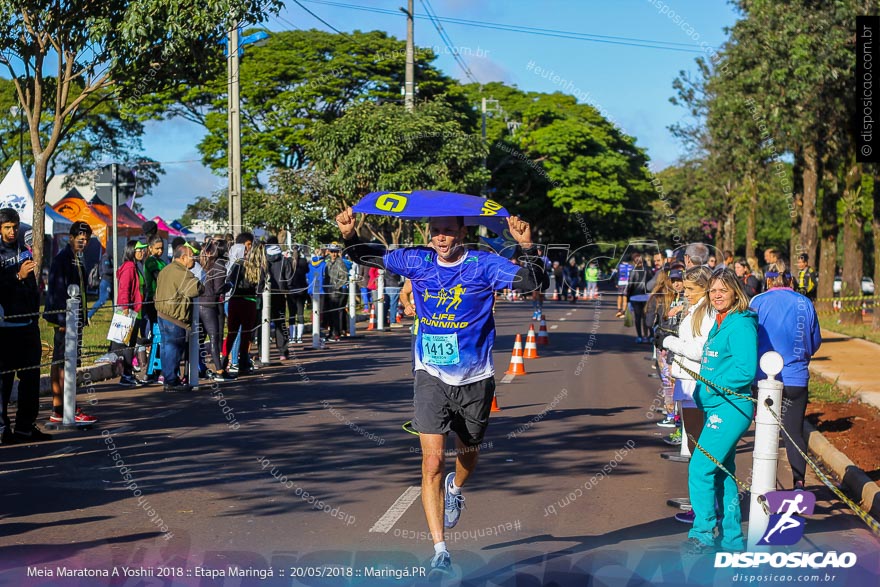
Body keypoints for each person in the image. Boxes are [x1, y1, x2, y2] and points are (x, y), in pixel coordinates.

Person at [335, 207, 544, 578]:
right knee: (432, 462)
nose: (441, 238)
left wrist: (526, 244)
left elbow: (531, 282)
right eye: (435, 231)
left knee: (469, 451)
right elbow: (366, 256)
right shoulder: (417, 261)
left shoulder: (483, 265)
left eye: (448, 231)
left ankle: (457, 487)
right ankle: (439, 550)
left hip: (475, 377)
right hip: (429, 373)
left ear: (462, 233)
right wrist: (350, 235)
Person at [684, 268, 757, 553]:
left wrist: (711, 384)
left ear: (735, 293)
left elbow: (744, 370)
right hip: (716, 405)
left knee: (700, 469)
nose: (717, 295)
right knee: (723, 474)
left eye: (723, 290)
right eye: (713, 290)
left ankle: (702, 533)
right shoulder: (720, 320)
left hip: (730, 407)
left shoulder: (740, 324)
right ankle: (732, 538)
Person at [750, 261, 822, 491]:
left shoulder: (757, 302)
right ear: (791, 280)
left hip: (763, 379)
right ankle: (799, 483)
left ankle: (764, 485)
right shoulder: (805, 303)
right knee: (793, 433)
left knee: (765, 431)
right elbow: (815, 341)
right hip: (795, 377)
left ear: (768, 280)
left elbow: (749, 337)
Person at [658, 266, 715, 486]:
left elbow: (699, 352)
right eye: (686, 288)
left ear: (705, 288)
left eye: (691, 289)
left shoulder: (706, 313)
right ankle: (702, 502)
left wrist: (669, 341)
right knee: (694, 445)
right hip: (688, 382)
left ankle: (705, 505)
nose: (686, 293)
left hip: (696, 384)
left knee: (699, 447)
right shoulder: (696, 309)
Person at [0, 208, 52, 442]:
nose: (12, 232)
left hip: (28, 325)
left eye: (14, 226)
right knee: (4, 382)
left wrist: (34, 309)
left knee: (30, 380)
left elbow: (31, 283)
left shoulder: (24, 250)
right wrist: (17, 276)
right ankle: (3, 430)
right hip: (5, 329)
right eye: (7, 227)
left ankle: (26, 427)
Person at [44, 221, 98, 424]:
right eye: (80, 238)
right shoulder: (62, 259)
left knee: (68, 362)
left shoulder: (78, 258)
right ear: (71, 237)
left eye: (86, 239)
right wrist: (62, 321)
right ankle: (63, 408)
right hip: (65, 321)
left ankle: (62, 407)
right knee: (62, 363)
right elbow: (57, 292)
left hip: (76, 320)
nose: (83, 242)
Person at [155, 242, 204, 392]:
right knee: (172, 348)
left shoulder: (166, 269)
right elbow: (195, 289)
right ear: (183, 257)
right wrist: (202, 285)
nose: (194, 261)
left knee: (166, 347)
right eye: (192, 258)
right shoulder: (180, 272)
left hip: (163, 313)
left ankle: (169, 378)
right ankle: (171, 381)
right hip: (174, 316)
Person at [223, 241, 266, 375]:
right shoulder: (260, 269)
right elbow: (260, 289)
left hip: (234, 301)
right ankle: (243, 365)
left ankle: (223, 363)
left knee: (231, 334)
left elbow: (229, 281)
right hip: (250, 302)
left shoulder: (238, 264)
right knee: (246, 335)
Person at [114, 240, 147, 387]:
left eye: (142, 250)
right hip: (129, 311)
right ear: (131, 251)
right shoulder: (129, 267)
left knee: (131, 344)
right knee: (128, 345)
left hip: (136, 311)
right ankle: (126, 375)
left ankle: (129, 374)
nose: (142, 252)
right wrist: (125, 308)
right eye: (138, 250)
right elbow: (124, 289)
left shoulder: (136, 266)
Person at [199, 239, 232, 381]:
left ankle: (199, 368)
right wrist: (229, 285)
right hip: (210, 304)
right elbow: (218, 289)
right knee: (214, 337)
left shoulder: (207, 264)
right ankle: (219, 370)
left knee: (200, 338)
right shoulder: (220, 266)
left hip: (200, 303)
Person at [267, 239, 294, 359]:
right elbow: (289, 278)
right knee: (280, 322)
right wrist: (288, 289)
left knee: (263, 323)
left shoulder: (264, 259)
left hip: (265, 294)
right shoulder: (284, 260)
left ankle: (263, 352)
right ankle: (283, 351)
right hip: (280, 294)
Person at [324, 243, 351, 340]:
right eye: (332, 252)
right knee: (330, 314)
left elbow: (344, 277)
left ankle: (336, 333)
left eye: (335, 252)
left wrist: (336, 287)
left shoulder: (340, 262)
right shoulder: (327, 262)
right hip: (328, 291)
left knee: (336, 313)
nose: (334, 254)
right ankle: (332, 332)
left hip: (337, 292)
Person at [625, 252, 651, 343]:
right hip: (647, 296)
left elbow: (630, 286)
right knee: (647, 317)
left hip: (635, 297)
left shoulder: (633, 271)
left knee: (638, 317)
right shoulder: (648, 269)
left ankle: (640, 336)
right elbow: (652, 283)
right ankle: (649, 336)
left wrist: (628, 298)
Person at [288, 246, 310, 343]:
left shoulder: (288, 261)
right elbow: (307, 271)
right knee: (300, 313)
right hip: (301, 290)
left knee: (292, 313)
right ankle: (299, 337)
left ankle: (292, 337)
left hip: (291, 290)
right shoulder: (303, 261)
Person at [87, 250, 114, 320]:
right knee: (102, 300)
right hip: (106, 282)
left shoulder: (110, 257)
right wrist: (116, 268)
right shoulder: (106, 257)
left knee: (115, 300)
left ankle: (115, 317)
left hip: (110, 282)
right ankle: (88, 315)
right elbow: (106, 270)